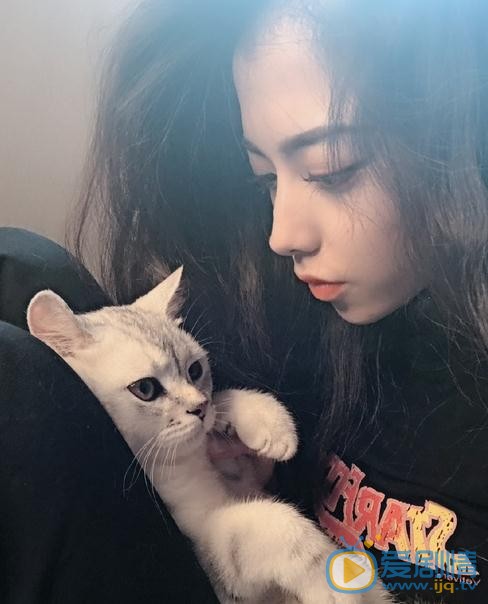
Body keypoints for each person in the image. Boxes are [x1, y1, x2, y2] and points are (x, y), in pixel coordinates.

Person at [1, 0, 487, 602]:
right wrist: (262, 489)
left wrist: (331, 570)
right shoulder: (313, 324)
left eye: (330, 168)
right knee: (19, 262)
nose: (281, 235)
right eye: (265, 180)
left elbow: (456, 575)